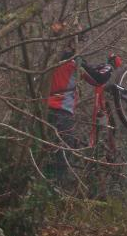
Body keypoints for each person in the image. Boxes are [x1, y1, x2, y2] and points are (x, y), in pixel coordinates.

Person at [46, 41, 122, 180]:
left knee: (46, 155)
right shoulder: (73, 60)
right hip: (62, 113)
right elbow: (97, 79)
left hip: (42, 111)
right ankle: (55, 193)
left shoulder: (49, 57)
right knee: (61, 157)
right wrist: (110, 66)